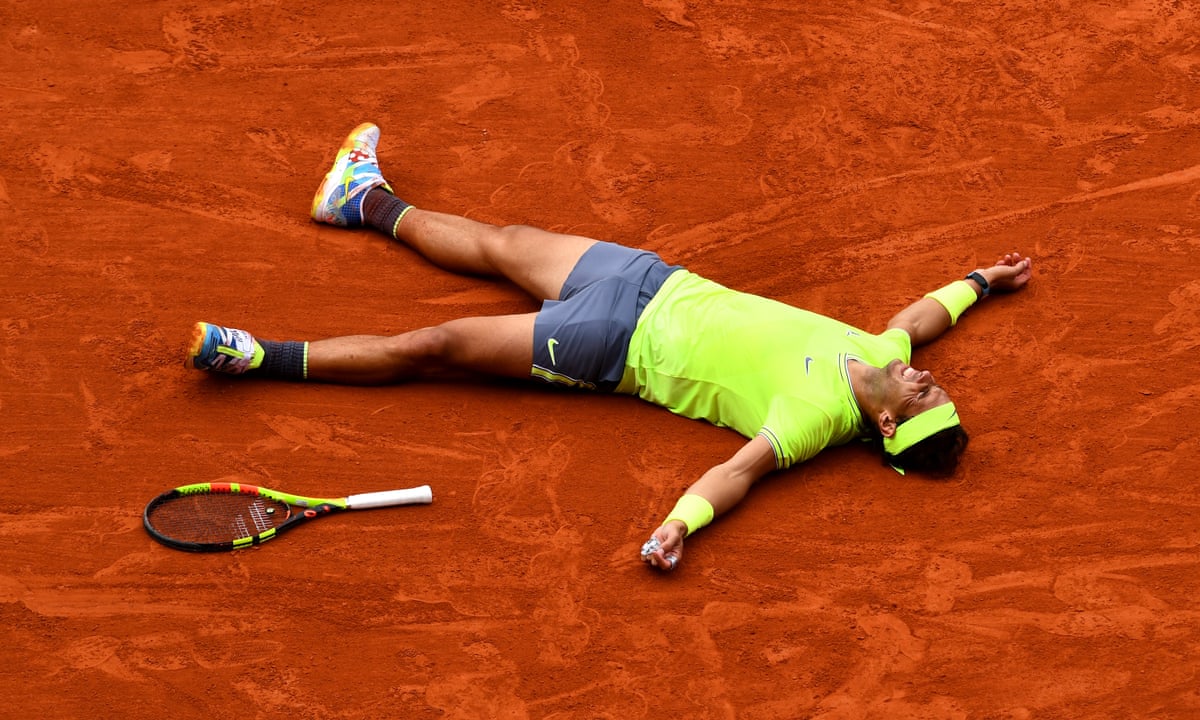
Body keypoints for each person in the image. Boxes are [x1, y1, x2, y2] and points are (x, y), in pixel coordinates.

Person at [186, 123, 1033, 571]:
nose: (922, 378)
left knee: (437, 344)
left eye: (921, 396)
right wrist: (982, 281)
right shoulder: (882, 351)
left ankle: (257, 356)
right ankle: (360, 199)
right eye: (931, 386)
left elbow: (734, 474)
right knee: (504, 240)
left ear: (885, 427)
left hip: (613, 344)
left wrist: (677, 527)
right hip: (652, 280)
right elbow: (924, 317)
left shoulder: (816, 417)